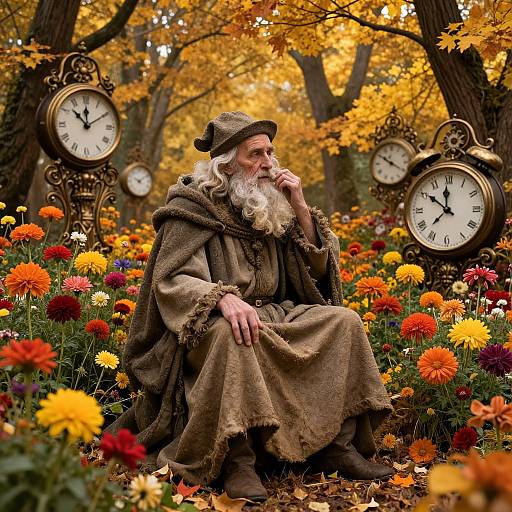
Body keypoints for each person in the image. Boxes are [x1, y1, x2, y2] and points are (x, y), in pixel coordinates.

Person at [109, 111, 394, 502]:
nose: (268, 162)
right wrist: (222, 298)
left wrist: (299, 206)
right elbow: (171, 281)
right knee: (235, 333)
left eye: (270, 152)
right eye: (254, 154)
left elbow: (313, 273)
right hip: (208, 327)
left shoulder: (270, 206)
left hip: (273, 315)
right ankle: (236, 460)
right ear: (226, 164)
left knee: (343, 321)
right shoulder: (193, 208)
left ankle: (335, 444)